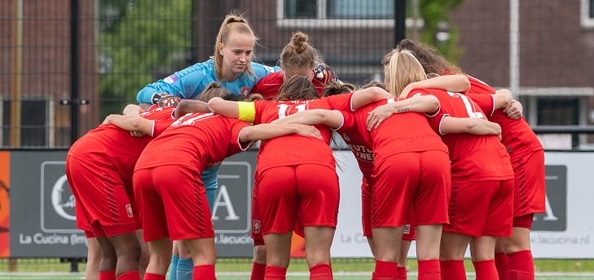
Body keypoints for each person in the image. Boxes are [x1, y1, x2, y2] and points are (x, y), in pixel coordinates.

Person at [275, 77, 500, 280]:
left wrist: (273, 125)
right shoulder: (402, 106)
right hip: (418, 166)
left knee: (387, 257)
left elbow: (322, 114)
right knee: (424, 255)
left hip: (394, 169)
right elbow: (435, 103)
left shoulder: (352, 115)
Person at [135, 12, 280, 280]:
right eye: (237, 51)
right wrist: (164, 99)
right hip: (181, 167)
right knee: (188, 247)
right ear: (221, 48)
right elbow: (144, 93)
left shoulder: (254, 72)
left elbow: (287, 72)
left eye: (249, 52)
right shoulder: (196, 75)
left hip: (207, 172)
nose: (244, 59)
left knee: (185, 246)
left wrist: (321, 72)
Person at [208, 75, 395, 280]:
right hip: (317, 169)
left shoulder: (264, 108)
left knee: (276, 262)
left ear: (283, 93)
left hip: (274, 170)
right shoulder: (325, 103)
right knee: (319, 258)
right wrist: (399, 103)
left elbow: (216, 104)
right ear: (312, 94)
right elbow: (374, 93)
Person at [131, 86, 322, 280]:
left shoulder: (190, 118)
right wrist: (293, 126)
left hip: (142, 169)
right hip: (177, 167)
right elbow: (249, 133)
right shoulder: (232, 121)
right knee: (204, 255)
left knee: (158, 257)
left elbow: (183, 105)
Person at [397, 39, 545, 280]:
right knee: (490, 248)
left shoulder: (439, 87)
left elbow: (491, 100)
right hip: (502, 157)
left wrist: (498, 113)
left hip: (512, 153)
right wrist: (508, 101)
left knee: (511, 242)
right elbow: (499, 96)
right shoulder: (448, 83)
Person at [382, 49, 514, 280]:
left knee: (449, 255)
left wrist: (400, 101)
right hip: (503, 169)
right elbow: (465, 84)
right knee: (484, 254)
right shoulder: (453, 91)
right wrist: (493, 128)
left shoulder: (420, 98)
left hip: (473, 172)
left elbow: (457, 124)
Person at [246, 31, 338, 280]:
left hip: (274, 168)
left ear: (313, 71)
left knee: (275, 258)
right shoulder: (264, 86)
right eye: (290, 77)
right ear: (281, 72)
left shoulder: (327, 82)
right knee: (269, 252)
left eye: (305, 77)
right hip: (312, 166)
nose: (299, 83)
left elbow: (228, 113)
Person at [66, 101, 179, 280]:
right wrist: (122, 118)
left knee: (116, 252)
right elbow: (137, 113)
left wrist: (127, 116)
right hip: (98, 162)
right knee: (126, 250)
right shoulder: (180, 125)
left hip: (104, 162)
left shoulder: (168, 112)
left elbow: (134, 108)